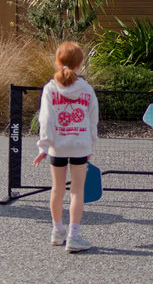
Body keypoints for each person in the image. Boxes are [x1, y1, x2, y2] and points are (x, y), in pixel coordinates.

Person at [33, 42, 98, 253]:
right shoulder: (87, 89)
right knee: (76, 191)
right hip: (79, 145)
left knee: (57, 189)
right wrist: (90, 145)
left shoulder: (50, 88)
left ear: (58, 61)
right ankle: (73, 236)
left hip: (56, 147)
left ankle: (57, 231)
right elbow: (92, 121)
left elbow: (46, 119)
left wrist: (44, 146)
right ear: (80, 63)